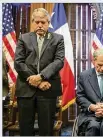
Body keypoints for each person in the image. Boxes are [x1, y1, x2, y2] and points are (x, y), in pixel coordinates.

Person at [14, 8, 64, 136]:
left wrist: (41, 76)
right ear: (32, 23)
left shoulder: (58, 39)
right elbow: (18, 63)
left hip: (48, 89)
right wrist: (35, 81)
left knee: (46, 129)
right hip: (26, 89)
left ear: (48, 23)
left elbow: (58, 61)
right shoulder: (23, 38)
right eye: (37, 22)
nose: (40, 25)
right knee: (25, 129)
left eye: (43, 22)